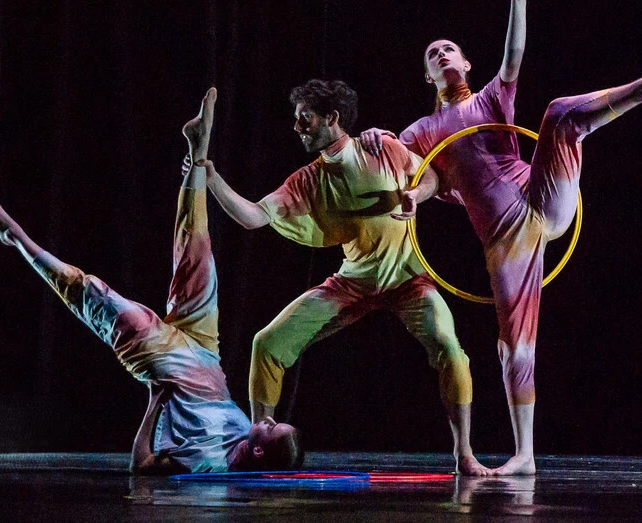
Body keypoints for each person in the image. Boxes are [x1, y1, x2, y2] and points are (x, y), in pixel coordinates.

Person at [362, 0, 642, 474]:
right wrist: (382, 149)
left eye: (450, 49)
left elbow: (513, 57)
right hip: (505, 236)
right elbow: (425, 177)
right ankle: (525, 454)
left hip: (541, 197)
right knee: (515, 345)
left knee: (560, 115)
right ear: (428, 76)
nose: (443, 54)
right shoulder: (423, 130)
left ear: (466, 63)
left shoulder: (491, 99)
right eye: (433, 54)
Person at [0, 89, 302, 474]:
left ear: (260, 452)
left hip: (168, 364)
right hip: (205, 349)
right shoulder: (244, 436)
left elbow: (142, 464)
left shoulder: (210, 461)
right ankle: (199, 151)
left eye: (271, 427)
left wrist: (154, 401)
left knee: (92, 293)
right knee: (197, 251)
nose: (267, 419)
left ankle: (16, 237)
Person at [195, 79, 488, 475]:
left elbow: (431, 176)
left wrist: (415, 196)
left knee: (450, 349)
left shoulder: (381, 147)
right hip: (353, 284)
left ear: (331, 118)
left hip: (409, 281)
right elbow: (254, 217)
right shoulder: (308, 180)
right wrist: (211, 178)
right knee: (267, 343)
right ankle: (258, 443)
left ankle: (464, 454)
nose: (297, 127)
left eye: (305, 118)